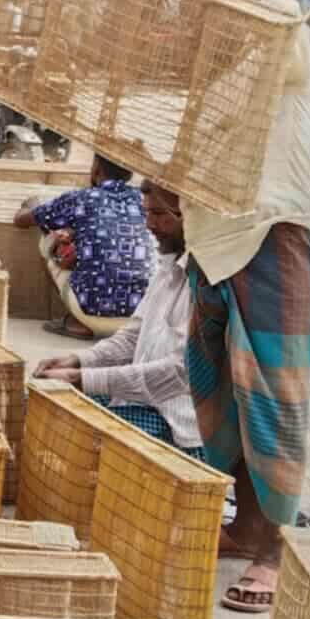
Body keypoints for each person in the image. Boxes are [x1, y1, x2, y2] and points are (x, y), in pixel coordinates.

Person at [122, 0, 310, 618]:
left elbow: (269, 1)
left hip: (271, 244)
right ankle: (245, 527)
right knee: (224, 402)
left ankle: (275, 551)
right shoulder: (226, 83)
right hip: (214, 252)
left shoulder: (293, 49)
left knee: (272, 401)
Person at [34, 182, 201, 451]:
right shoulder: (168, 268)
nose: (149, 224)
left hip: (176, 424)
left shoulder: (206, 286)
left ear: (191, 217)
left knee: (72, 438)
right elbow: (131, 337)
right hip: (141, 404)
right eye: (147, 213)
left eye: (159, 214)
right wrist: (78, 360)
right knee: (44, 407)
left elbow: (179, 373)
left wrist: (81, 378)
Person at [14, 155, 152, 339]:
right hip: (140, 317)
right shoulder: (144, 200)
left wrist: (32, 204)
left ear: (96, 168)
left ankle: (78, 323)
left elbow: (21, 220)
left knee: (47, 239)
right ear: (130, 174)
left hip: (92, 313)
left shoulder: (81, 198)